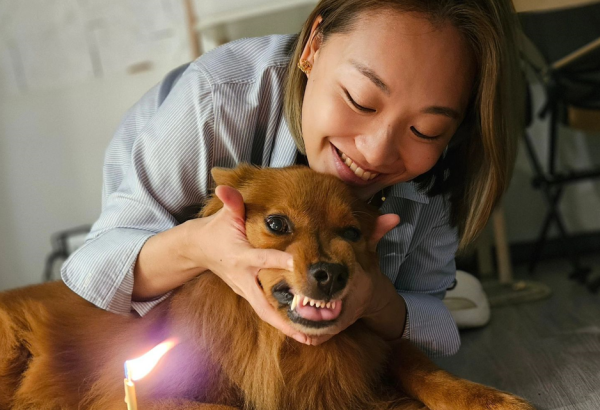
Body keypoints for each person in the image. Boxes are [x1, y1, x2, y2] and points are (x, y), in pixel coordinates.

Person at [61, 0, 523, 357]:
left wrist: (379, 299)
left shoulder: (435, 173)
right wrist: (199, 245)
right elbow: (92, 270)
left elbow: (437, 327)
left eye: (426, 130)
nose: (376, 151)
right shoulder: (218, 99)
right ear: (313, 46)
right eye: (361, 101)